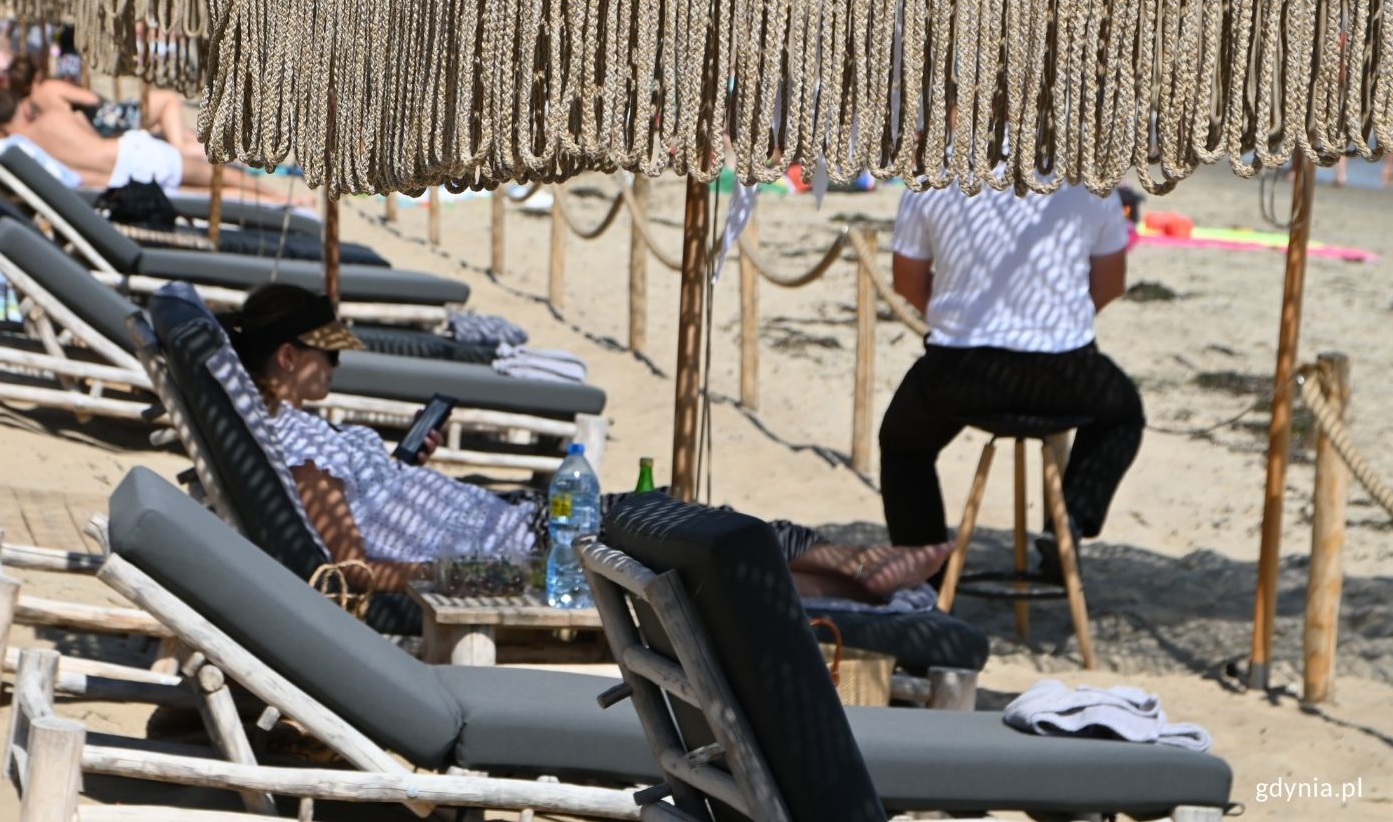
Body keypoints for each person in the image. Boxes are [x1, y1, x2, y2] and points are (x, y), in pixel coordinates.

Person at [228, 283, 953, 597]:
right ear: (288, 358)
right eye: (328, 355)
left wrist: (407, 466)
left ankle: (853, 582)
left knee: (686, 542)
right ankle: (855, 569)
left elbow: (366, 510)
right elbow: (352, 567)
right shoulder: (300, 455)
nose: (336, 366)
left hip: (518, 528)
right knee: (683, 534)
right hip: (521, 553)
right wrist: (476, 582)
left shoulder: (302, 439)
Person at [881, 183, 1141, 578]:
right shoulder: (1088, 179)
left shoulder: (936, 175)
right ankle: (1070, 517)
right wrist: (1056, 325)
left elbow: (907, 282)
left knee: (903, 445)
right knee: (1123, 413)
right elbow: (1110, 284)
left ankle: (924, 571)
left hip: (960, 371)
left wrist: (958, 322)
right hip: (1064, 373)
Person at [0, 55, 304, 204]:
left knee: (204, 194)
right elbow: (87, 124)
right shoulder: (51, 119)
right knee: (217, 179)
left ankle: (281, 203)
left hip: (120, 184)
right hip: (132, 155)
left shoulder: (24, 153)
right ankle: (282, 198)